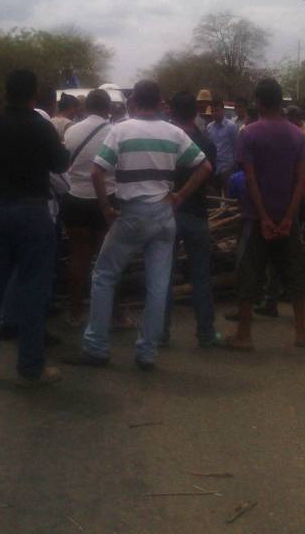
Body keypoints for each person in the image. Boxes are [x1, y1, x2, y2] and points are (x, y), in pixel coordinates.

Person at [67, 80, 210, 371]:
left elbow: (97, 172)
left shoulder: (120, 130)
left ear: (133, 101)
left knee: (104, 275)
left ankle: (96, 347)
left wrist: (106, 207)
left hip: (131, 215)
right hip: (163, 215)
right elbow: (204, 167)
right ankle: (147, 353)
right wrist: (180, 195)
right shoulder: (174, 132)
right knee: (158, 285)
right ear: (160, 102)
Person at [0, 70, 69, 388]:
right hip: (31, 211)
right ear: (33, 95)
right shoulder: (41, 126)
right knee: (33, 291)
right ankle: (30, 369)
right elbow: (60, 164)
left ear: (6, 91)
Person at [224, 78, 305, 351]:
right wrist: (288, 217)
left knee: (249, 274)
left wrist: (263, 217)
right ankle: (300, 332)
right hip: (287, 219)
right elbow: (300, 182)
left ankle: (244, 335)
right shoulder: (297, 135)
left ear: (259, 102)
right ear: (280, 102)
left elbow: (250, 181)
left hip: (255, 218)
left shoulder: (249, 133)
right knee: (295, 273)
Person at [163, 91, 220, 348]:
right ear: (195, 112)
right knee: (201, 276)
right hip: (196, 213)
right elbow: (209, 177)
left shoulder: (166, 140)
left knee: (162, 274)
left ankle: (160, 333)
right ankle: (206, 333)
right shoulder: (206, 143)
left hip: (169, 213)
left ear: (172, 111)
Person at [61, 89, 116, 326]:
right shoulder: (115, 133)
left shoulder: (71, 130)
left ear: (86, 107)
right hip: (106, 200)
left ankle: (75, 313)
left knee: (79, 257)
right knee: (109, 259)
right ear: (108, 109)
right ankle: (112, 315)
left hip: (74, 199)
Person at [205, 98, 239, 193]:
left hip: (227, 167)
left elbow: (235, 146)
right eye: (213, 111)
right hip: (214, 167)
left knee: (228, 194)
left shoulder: (231, 127)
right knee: (216, 194)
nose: (215, 113)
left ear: (222, 110)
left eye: (217, 110)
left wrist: (234, 165)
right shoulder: (209, 127)